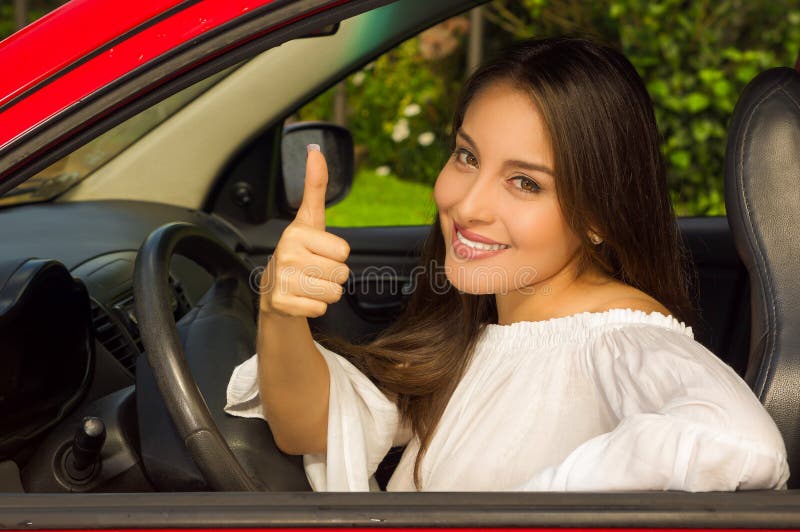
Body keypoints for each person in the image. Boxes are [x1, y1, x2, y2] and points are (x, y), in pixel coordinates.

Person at [224, 37, 789, 492]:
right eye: (467, 156)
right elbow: (309, 427)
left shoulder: (621, 340)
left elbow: (740, 442)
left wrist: (533, 505)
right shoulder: (494, 327)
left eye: (525, 182)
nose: (467, 206)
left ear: (597, 215)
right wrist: (280, 310)